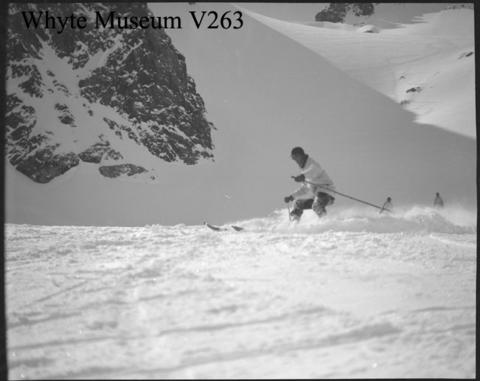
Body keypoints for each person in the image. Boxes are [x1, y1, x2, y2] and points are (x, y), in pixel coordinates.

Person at [284, 147, 335, 221]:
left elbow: (313, 172)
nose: (294, 160)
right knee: (297, 203)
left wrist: (303, 176)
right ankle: (295, 224)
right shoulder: (304, 169)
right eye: (293, 158)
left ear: (300, 155)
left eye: (295, 157)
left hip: (326, 193)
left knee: (316, 205)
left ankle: (326, 222)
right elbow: (305, 188)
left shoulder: (312, 163)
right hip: (317, 196)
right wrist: (292, 196)